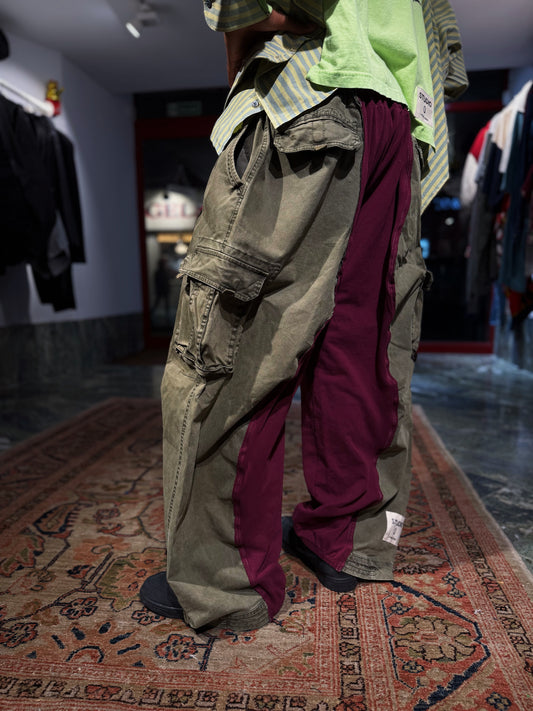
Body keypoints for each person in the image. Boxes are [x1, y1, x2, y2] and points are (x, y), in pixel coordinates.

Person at [140, 0, 467, 632]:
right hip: (398, 124)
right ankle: (349, 541)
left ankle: (226, 581)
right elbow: (444, 57)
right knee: (362, 353)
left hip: (308, 92)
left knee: (238, 351)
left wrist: (239, 58)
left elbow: (259, 6)